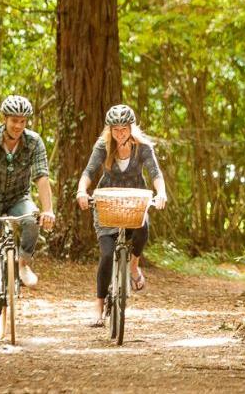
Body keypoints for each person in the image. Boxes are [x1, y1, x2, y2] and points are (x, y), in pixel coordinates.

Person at [0, 95, 56, 329]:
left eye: (23, 121)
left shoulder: (34, 142)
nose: (18, 126)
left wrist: (48, 210)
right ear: (4, 119)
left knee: (33, 218)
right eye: (14, 120)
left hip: (18, 198)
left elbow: (42, 178)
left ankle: (23, 262)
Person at [76, 104, 167, 326]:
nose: (120, 134)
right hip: (107, 202)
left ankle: (134, 265)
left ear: (131, 127)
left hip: (134, 202)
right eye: (115, 130)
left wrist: (161, 192)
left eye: (124, 129)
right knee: (107, 255)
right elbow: (88, 171)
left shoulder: (142, 147)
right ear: (110, 129)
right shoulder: (103, 145)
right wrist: (81, 191)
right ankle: (98, 306)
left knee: (143, 228)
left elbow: (155, 173)